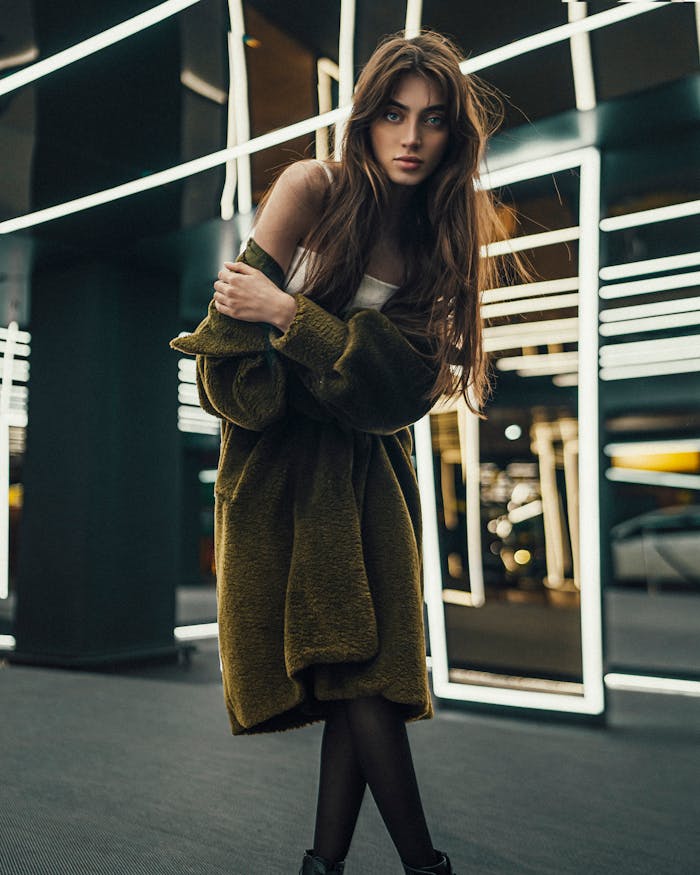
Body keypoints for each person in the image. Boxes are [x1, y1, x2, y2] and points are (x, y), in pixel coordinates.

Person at [171, 28, 520, 875]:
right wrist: (339, 360)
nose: (410, 137)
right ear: (365, 118)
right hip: (281, 475)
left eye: (432, 121)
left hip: (373, 474)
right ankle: (424, 865)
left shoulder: (440, 239)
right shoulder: (310, 188)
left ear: (452, 136)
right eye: (394, 114)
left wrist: (290, 318)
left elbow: (400, 391)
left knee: (360, 682)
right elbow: (224, 371)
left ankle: (323, 867)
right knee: (358, 677)